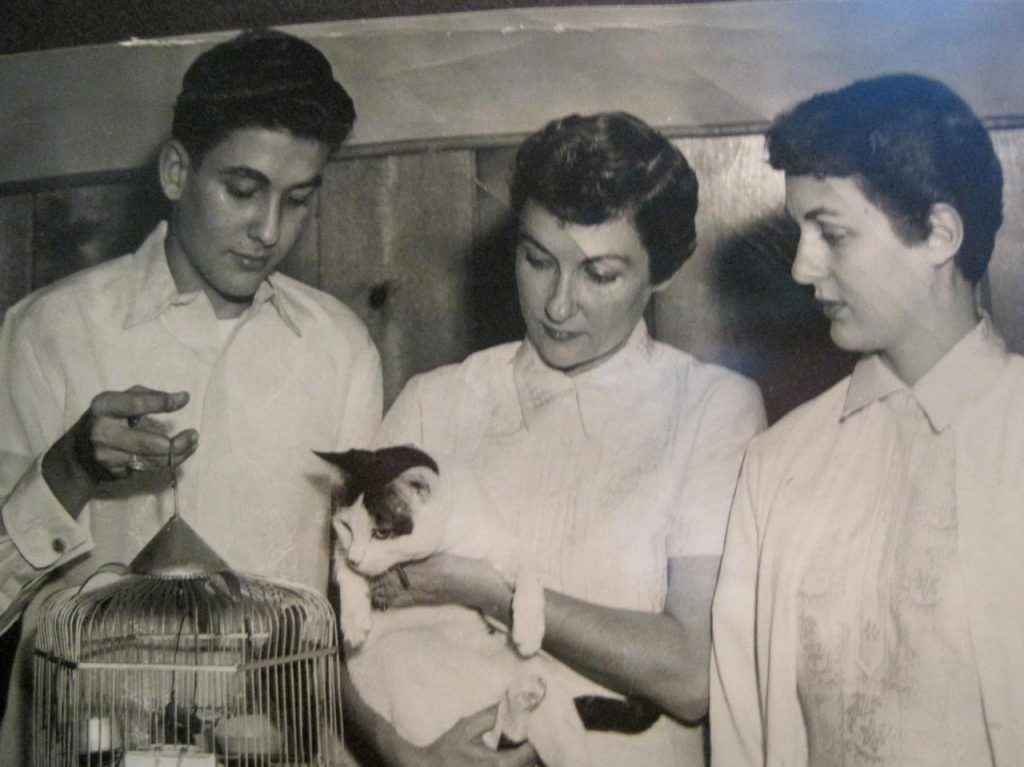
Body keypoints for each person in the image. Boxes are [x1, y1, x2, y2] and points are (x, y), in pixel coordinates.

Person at [0, 29, 382, 760]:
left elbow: (354, 614)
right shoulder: (45, 333)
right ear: (177, 170)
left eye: (297, 200)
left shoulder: (340, 352)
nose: (268, 230)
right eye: (243, 190)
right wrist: (71, 469)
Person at [343, 112, 766, 766]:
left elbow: (688, 673)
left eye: (601, 274)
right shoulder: (436, 401)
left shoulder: (711, 408)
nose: (558, 304)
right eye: (538, 259)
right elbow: (342, 628)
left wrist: (489, 591)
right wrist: (398, 749)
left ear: (662, 274)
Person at [709, 74, 1018, 766]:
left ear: (939, 233)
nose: (800, 264)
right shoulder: (781, 462)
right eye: (799, 230)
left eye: (832, 232)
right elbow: (741, 733)